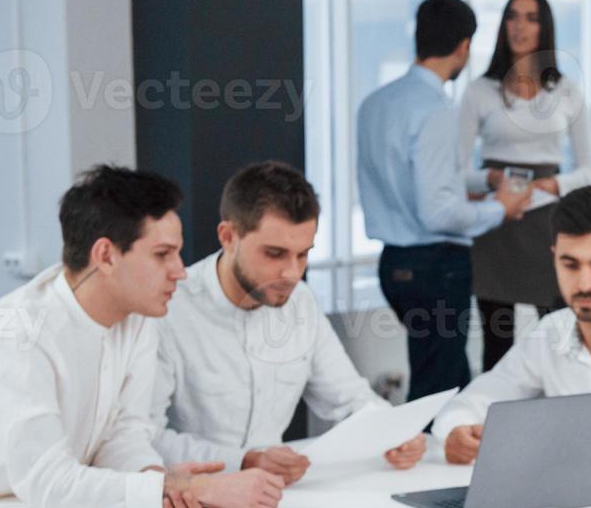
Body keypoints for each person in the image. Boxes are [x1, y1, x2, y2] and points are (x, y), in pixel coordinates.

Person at [0, 166, 283, 508]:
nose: (180, 272)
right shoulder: (18, 334)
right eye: (163, 254)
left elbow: (122, 437)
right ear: (106, 256)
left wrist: (159, 481)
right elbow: (48, 481)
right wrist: (173, 489)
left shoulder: (138, 319)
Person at [151, 161, 425, 489]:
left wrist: (394, 431)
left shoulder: (301, 303)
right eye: (275, 254)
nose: (293, 273)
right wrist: (244, 461)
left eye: (303, 255)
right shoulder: (169, 311)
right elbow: (145, 437)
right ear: (228, 236)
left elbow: (348, 397)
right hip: (197, 503)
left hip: (278, 501)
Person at [358, 0, 534, 401]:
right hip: (436, 268)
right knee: (439, 392)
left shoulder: (376, 103)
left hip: (395, 266)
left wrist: (479, 177)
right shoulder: (436, 109)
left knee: (448, 379)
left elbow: (408, 174)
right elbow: (438, 212)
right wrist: (500, 209)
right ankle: (427, 457)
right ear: (464, 47)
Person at [433, 186, 591, 465]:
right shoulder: (550, 333)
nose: (584, 284)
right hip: (564, 500)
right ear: (554, 258)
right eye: (570, 265)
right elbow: (473, 402)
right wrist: (456, 431)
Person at [458, 0, 591, 370]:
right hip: (495, 222)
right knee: (496, 344)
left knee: (557, 337)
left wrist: (549, 185)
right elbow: (455, 174)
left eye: (531, 18)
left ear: (544, 28)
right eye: (512, 16)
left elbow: (589, 171)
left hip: (546, 224)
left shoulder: (566, 90)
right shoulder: (479, 92)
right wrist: (489, 180)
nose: (520, 26)